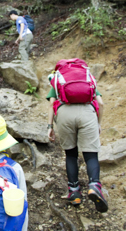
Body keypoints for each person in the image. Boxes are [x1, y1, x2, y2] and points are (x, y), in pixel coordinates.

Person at [46, 70, 108, 213]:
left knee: (71, 154)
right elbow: (101, 103)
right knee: (91, 155)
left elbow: (51, 104)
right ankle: (94, 186)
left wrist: (50, 126)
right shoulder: (86, 78)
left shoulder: (58, 79)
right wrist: (98, 123)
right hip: (87, 114)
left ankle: (74, 192)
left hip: (64, 114)